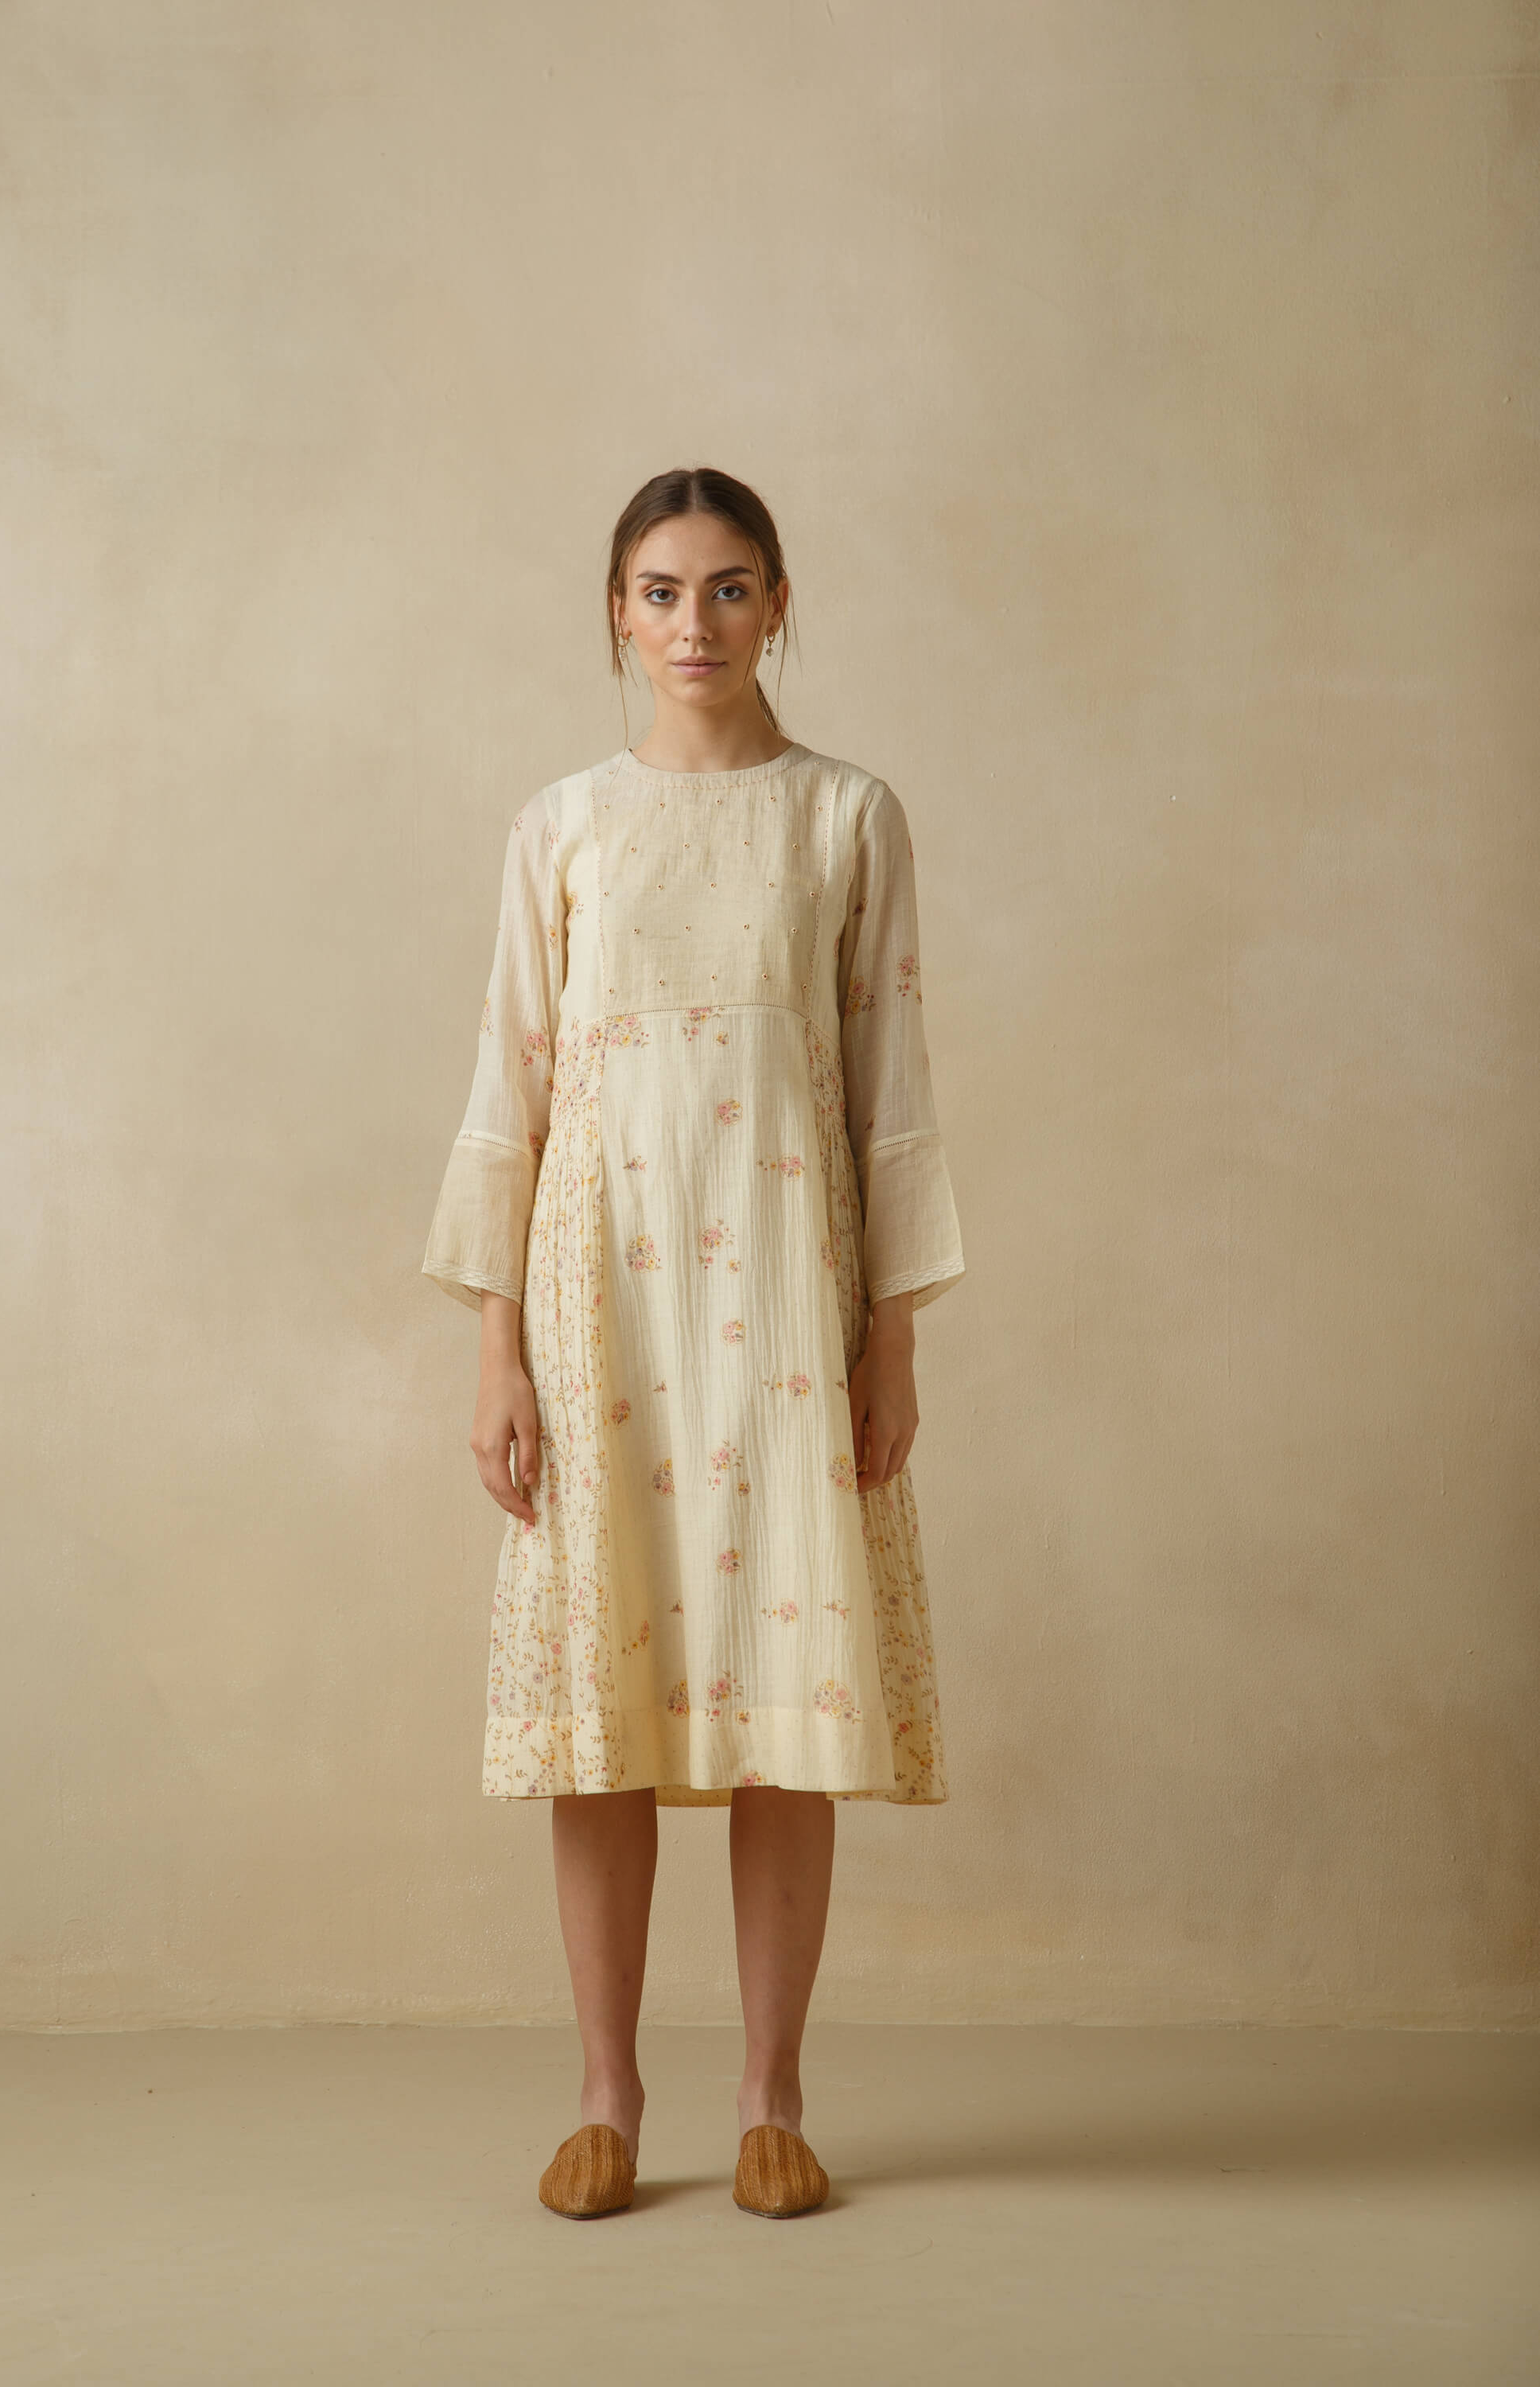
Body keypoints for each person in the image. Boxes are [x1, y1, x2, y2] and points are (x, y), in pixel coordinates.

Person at [422, 465, 966, 2220]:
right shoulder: (559, 825)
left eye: (729, 590)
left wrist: (892, 1341)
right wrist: (500, 1350)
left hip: (789, 1321)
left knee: (779, 1713)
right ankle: (604, 2098)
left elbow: (891, 1098)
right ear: (613, 614)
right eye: (660, 593)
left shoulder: (845, 817)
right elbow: (510, 1084)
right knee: (607, 1713)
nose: (694, 625)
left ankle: (772, 2100)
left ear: (781, 602)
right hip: (601, 1312)